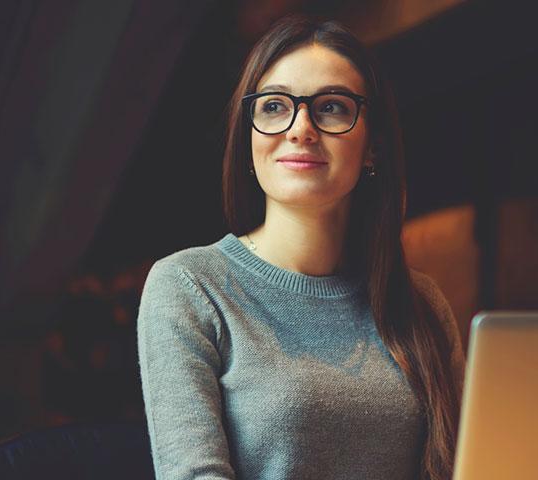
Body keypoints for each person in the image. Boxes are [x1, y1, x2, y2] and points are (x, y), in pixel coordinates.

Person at [137, 14, 465, 480]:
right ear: (248, 135)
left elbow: (462, 465)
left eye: (331, 107)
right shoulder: (191, 287)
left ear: (372, 146)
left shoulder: (421, 303)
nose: (300, 129)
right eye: (274, 106)